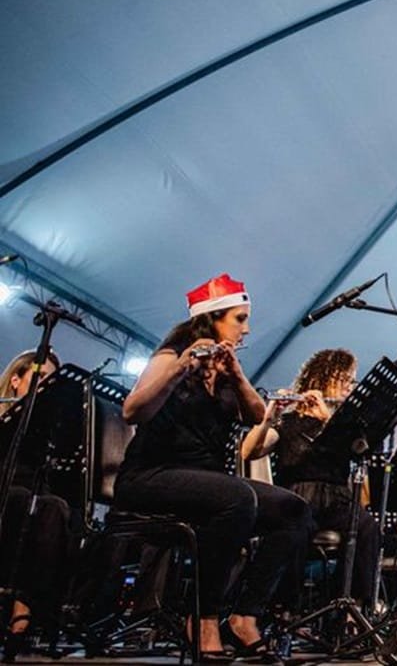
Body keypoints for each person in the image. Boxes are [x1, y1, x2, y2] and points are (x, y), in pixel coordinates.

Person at [115, 274, 315, 659]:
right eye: (239, 318)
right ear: (213, 318)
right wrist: (180, 370)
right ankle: (203, 616)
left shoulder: (226, 371)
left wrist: (237, 375)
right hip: (150, 476)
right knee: (237, 497)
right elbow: (131, 411)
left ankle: (244, 615)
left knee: (295, 510)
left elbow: (257, 415)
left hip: (206, 483)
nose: (247, 328)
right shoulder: (171, 355)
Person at [241, 348, 381, 610]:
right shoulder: (289, 421)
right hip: (298, 497)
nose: (350, 386)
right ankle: (287, 609)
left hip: (338, 500)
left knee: (367, 528)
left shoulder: (346, 422)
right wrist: (268, 419)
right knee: (294, 529)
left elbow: (356, 452)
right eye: (346, 379)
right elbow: (249, 452)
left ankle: (347, 607)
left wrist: (329, 420)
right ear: (324, 378)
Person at [0, 348, 72, 654]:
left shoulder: (49, 431)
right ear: (16, 380)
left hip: (34, 493)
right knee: (23, 502)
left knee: (58, 509)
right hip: (8, 489)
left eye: (51, 383)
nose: (45, 388)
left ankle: (25, 612)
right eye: (39, 378)